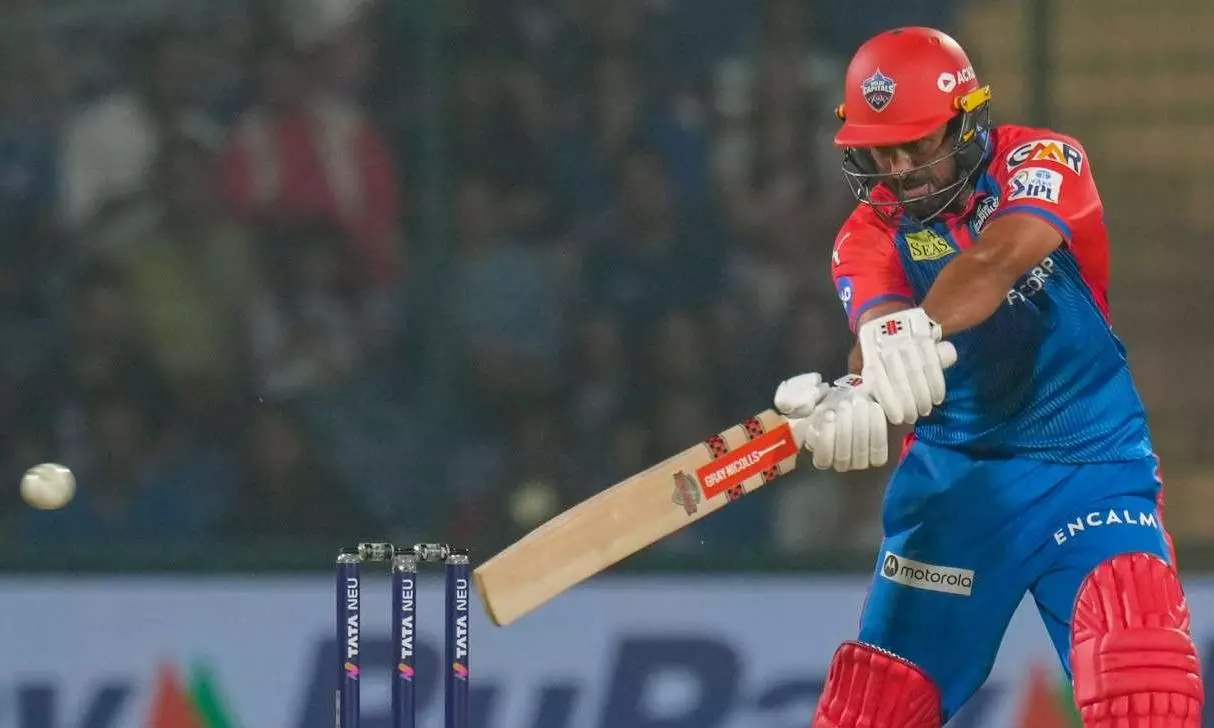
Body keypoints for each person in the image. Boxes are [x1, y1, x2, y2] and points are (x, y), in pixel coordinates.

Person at [771, 27, 1204, 727]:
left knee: (1146, 697)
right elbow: (878, 329)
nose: (901, 169)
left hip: (1091, 471)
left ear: (965, 120)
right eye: (883, 151)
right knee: (875, 711)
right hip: (956, 487)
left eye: (919, 144)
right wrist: (858, 389)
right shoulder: (864, 237)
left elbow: (996, 260)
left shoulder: (1041, 160)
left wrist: (914, 333)